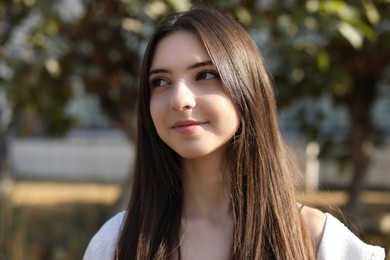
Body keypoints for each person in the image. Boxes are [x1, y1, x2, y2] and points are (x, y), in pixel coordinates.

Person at [84, 6, 385, 260]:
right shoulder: (114, 245)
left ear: (247, 90)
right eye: (160, 82)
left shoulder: (321, 243)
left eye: (205, 75)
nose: (179, 99)